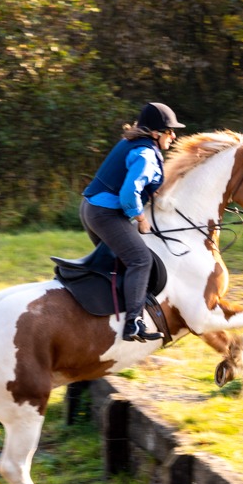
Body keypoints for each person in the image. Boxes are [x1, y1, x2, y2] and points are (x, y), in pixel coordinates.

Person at [80, 102, 181, 342]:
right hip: (104, 214)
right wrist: (141, 218)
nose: (173, 136)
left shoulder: (131, 144)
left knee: (122, 263)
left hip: (90, 209)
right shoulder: (145, 154)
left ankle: (107, 319)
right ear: (156, 133)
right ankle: (133, 323)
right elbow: (128, 193)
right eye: (169, 131)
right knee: (140, 260)